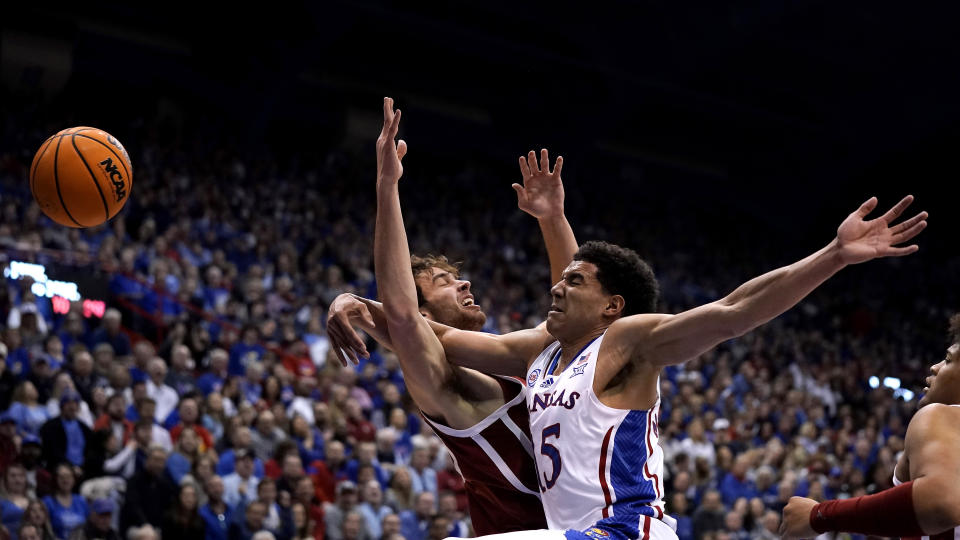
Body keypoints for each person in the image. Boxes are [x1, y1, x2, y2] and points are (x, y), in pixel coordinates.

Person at [394, 194, 926, 538]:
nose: (556, 285)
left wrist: (833, 255)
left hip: (628, 529)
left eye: (574, 282)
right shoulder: (539, 355)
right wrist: (353, 303)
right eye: (562, 280)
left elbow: (733, 311)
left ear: (612, 307)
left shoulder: (627, 341)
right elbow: (421, 329)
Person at [327, 98, 578, 535]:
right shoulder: (441, 380)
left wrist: (552, 218)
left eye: (457, 277)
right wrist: (387, 185)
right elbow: (405, 317)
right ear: (424, 308)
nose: (464, 284)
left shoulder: (509, 356)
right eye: (444, 281)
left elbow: (575, 321)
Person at [780, 313, 960, 538]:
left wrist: (819, 515)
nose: (935, 367)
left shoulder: (942, 415)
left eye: (949, 359)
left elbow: (939, 503)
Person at [42, 464, 89, 540]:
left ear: (74, 479)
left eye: (68, 476)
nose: (65, 480)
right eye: (61, 477)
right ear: (55, 479)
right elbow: (45, 530)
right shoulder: (48, 502)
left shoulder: (81, 501)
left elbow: (88, 528)